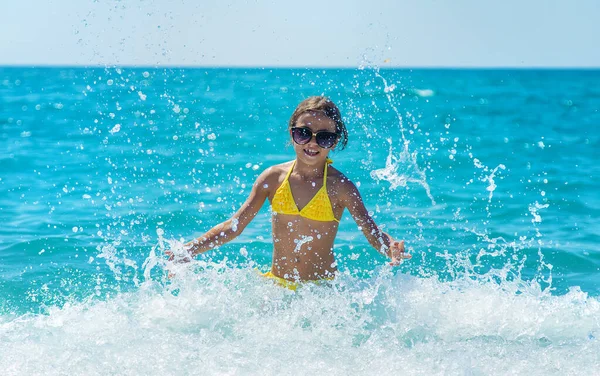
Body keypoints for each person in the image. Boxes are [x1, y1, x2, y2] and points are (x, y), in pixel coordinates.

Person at [167, 96, 411, 289]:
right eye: (303, 133)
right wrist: (190, 248)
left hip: (321, 290)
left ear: (334, 142)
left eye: (324, 137)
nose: (312, 143)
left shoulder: (340, 187)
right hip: (276, 285)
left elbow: (371, 231)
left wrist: (389, 247)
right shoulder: (273, 178)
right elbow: (235, 225)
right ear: (292, 133)